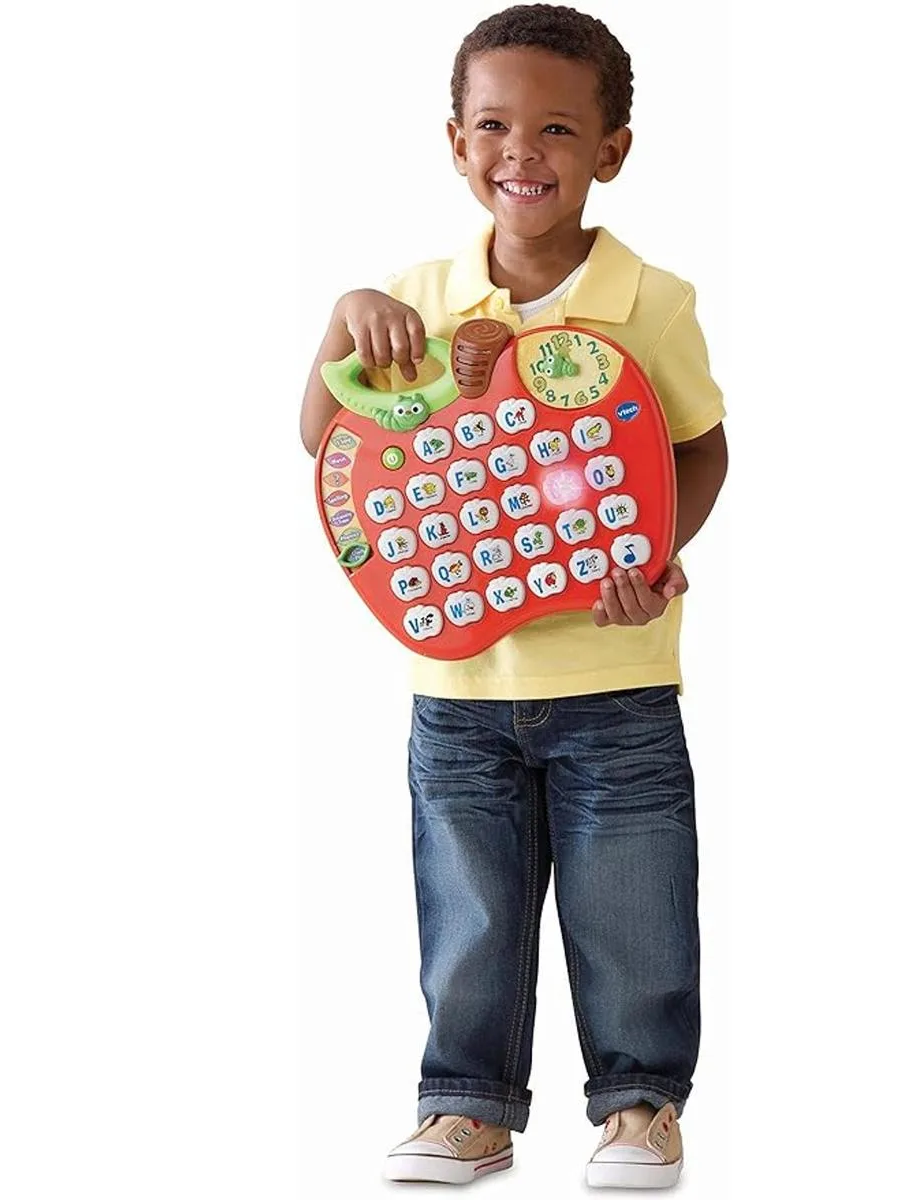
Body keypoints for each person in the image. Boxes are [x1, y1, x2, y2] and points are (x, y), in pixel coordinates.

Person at [300, 4, 728, 1188]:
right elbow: (327, 440)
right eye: (493, 125)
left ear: (611, 150)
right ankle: (465, 1106)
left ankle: (640, 1105)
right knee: (468, 908)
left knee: (631, 903)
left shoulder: (652, 301)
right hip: (456, 675)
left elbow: (698, 448)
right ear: (456, 142)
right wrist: (343, 317)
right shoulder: (413, 300)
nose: (521, 152)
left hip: (614, 669)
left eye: (558, 128)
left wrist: (655, 549)